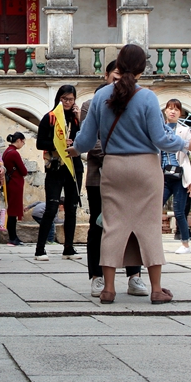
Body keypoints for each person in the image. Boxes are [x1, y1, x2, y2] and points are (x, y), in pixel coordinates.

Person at [71, 44, 191, 305]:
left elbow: (85, 140)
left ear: (117, 65)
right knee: (149, 227)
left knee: (112, 226)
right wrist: (188, 144)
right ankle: (156, 288)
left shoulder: (100, 97)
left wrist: (75, 149)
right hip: (145, 167)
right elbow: (160, 138)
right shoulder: (147, 97)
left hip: (114, 167)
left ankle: (108, 289)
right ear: (143, 69)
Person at [81, 60, 147, 297]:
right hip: (100, 177)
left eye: (124, 74)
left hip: (130, 177)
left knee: (133, 226)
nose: (119, 79)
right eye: (116, 75)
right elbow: (91, 142)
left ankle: (134, 276)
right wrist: (123, 153)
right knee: (98, 227)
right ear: (106, 75)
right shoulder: (91, 104)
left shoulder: (137, 101)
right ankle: (97, 276)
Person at [35, 85, 84, 262]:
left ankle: (69, 247)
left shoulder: (76, 120)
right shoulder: (50, 118)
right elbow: (40, 143)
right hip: (56, 166)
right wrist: (60, 144)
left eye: (71, 99)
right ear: (58, 99)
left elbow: (85, 138)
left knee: (71, 207)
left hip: (74, 166)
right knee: (52, 207)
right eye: (64, 99)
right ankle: (40, 249)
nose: (68, 102)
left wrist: (79, 118)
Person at [162, 98, 191, 254]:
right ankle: (151, 243)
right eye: (170, 108)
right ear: (165, 111)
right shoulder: (159, 128)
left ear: (180, 113)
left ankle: (185, 244)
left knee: (179, 212)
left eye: (176, 109)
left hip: (179, 175)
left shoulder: (184, 130)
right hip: (162, 175)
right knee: (154, 208)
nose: (173, 111)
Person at [2, 132, 28, 246]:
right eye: (23, 142)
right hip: (15, 183)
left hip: (10, 183)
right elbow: (24, 171)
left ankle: (14, 236)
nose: (23, 144)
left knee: (12, 209)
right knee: (13, 211)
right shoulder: (14, 154)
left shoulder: (6, 152)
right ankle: (12, 237)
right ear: (19, 140)